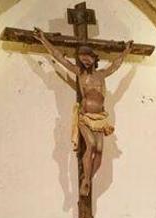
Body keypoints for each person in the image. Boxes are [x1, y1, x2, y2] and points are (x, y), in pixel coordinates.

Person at [33, 28, 133, 196]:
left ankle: (88, 179)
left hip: (100, 117)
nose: (85, 61)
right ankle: (86, 180)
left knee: (100, 151)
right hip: (85, 117)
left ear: (94, 59)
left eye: (87, 58)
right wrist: (44, 40)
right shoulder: (79, 73)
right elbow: (59, 58)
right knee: (92, 146)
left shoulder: (101, 74)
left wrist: (126, 51)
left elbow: (116, 65)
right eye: (82, 58)